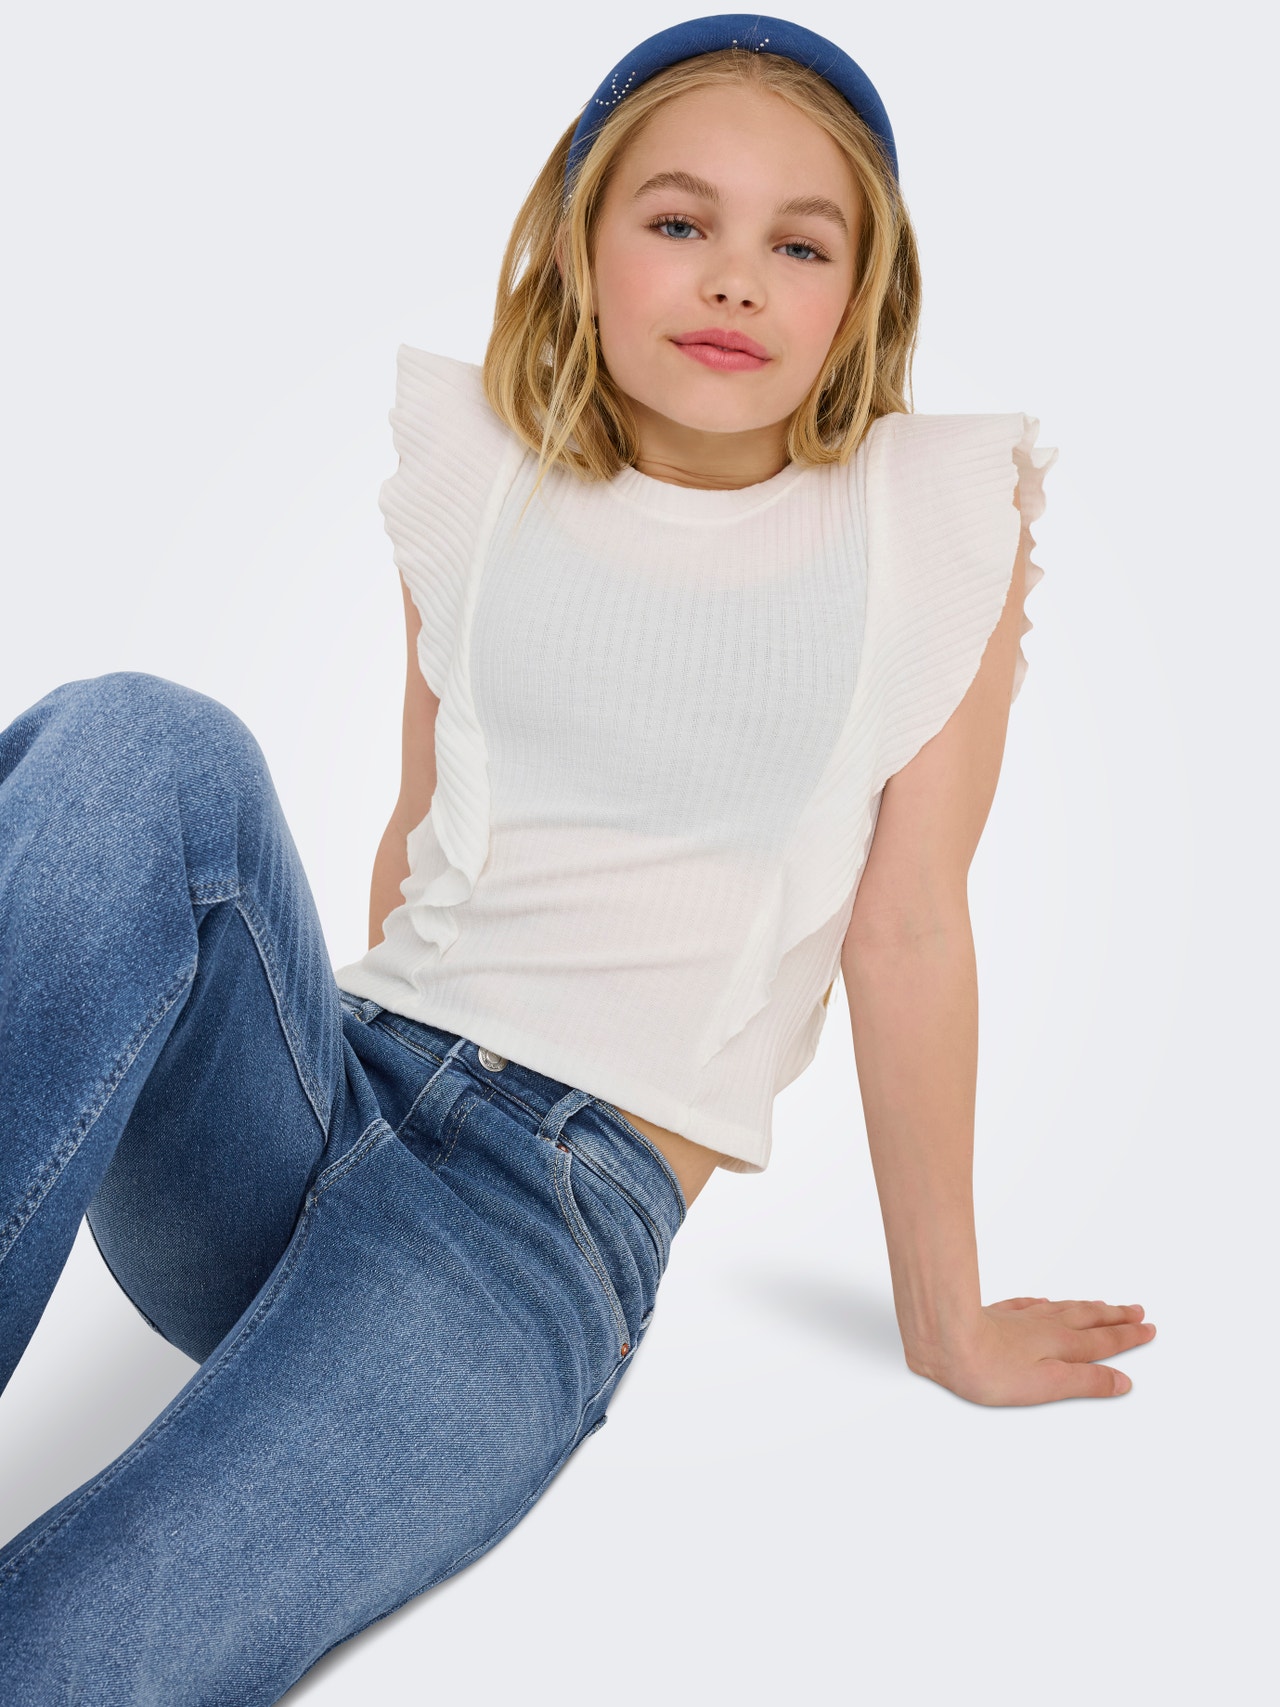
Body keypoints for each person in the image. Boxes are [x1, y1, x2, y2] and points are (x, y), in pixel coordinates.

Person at [0, 14, 1156, 1702]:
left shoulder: (927, 523)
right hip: (330, 1083)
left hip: (530, 1226)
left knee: (63, 1655)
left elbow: (908, 931)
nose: (737, 276)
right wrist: (312, 1095)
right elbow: (422, 827)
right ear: (578, 244)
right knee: (142, 744)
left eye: (801, 244)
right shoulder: (481, 471)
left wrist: (949, 1321)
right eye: (680, 221)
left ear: (860, 300)